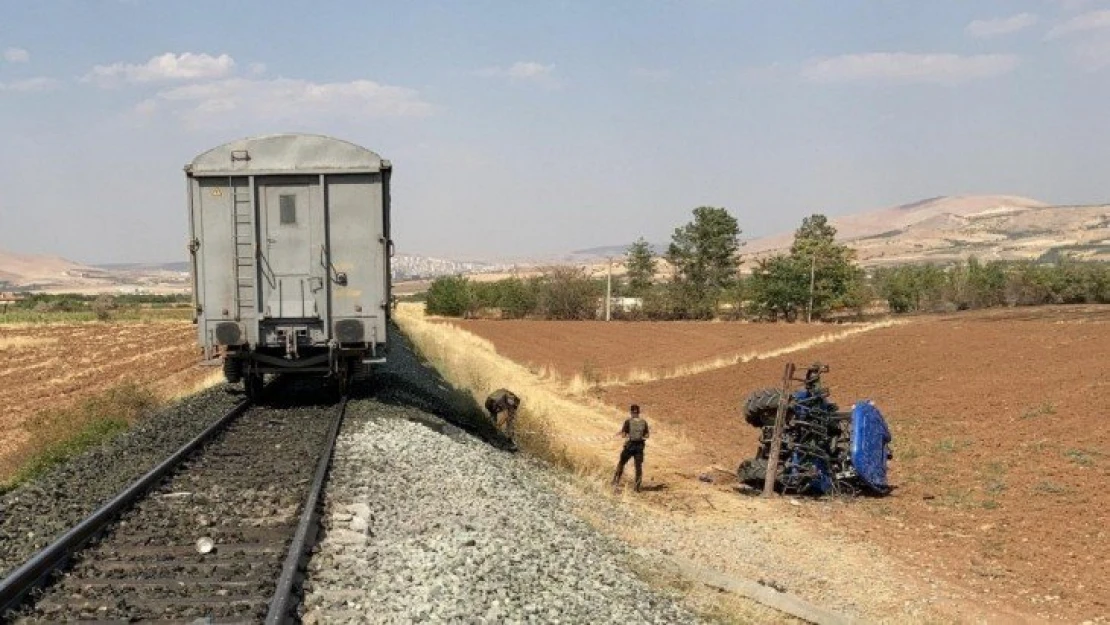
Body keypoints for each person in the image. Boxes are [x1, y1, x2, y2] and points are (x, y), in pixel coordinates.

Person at [612, 404, 649, 492]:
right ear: (639, 412)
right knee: (638, 467)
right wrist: (640, 436)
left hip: (630, 446)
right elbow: (647, 435)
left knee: (621, 463)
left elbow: (623, 435)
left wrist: (625, 434)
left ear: (631, 412)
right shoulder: (644, 422)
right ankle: (637, 487)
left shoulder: (628, 421)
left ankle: (615, 481)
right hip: (639, 447)